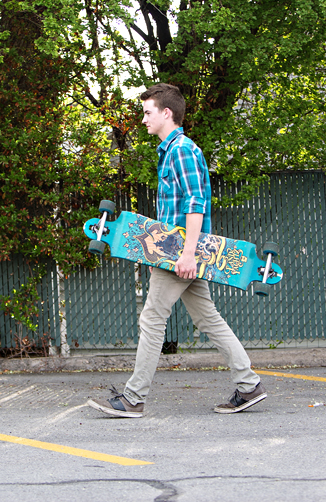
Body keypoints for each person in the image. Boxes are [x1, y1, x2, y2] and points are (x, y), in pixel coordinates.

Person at [87, 83, 266, 418]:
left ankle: (133, 398)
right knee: (207, 317)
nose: (143, 119)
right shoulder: (171, 150)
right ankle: (248, 384)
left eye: (148, 112)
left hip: (180, 253)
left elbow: (196, 203)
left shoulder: (182, 150)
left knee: (152, 318)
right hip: (175, 251)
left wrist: (187, 254)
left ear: (166, 113)